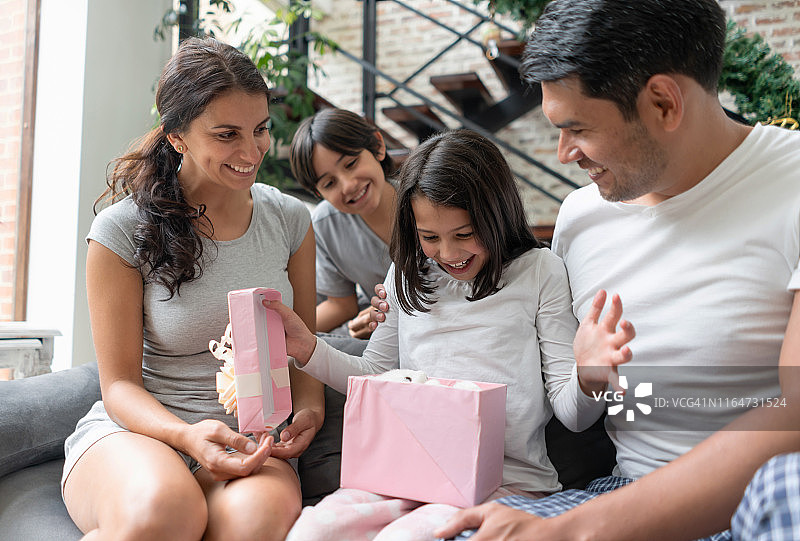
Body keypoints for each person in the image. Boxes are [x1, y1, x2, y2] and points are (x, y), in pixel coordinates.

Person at [431, 1, 800, 540]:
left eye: (576, 127)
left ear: (663, 102)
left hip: (756, 505)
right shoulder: (581, 219)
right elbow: (565, 389)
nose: (562, 153)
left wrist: (570, 532)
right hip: (620, 494)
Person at [266, 129, 635, 540]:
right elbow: (374, 374)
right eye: (430, 238)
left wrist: (588, 376)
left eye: (464, 234)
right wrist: (307, 349)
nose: (449, 253)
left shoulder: (539, 272)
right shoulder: (407, 274)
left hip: (507, 483)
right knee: (312, 530)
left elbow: (572, 413)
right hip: (408, 475)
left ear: (497, 214)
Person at [61, 37, 325, 541]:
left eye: (261, 129)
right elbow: (118, 386)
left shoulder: (292, 221)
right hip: (140, 435)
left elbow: (306, 351)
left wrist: (309, 410)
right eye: (227, 134)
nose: (251, 152)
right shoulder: (120, 230)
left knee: (257, 524)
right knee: (166, 513)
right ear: (177, 136)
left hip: (249, 441)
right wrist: (185, 436)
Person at [289, 107, 396, 339]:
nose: (348, 185)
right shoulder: (325, 225)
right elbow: (341, 305)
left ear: (377, 146)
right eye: (329, 183)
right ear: (318, 193)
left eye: (351, 164)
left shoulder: (427, 201)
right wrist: (277, 334)